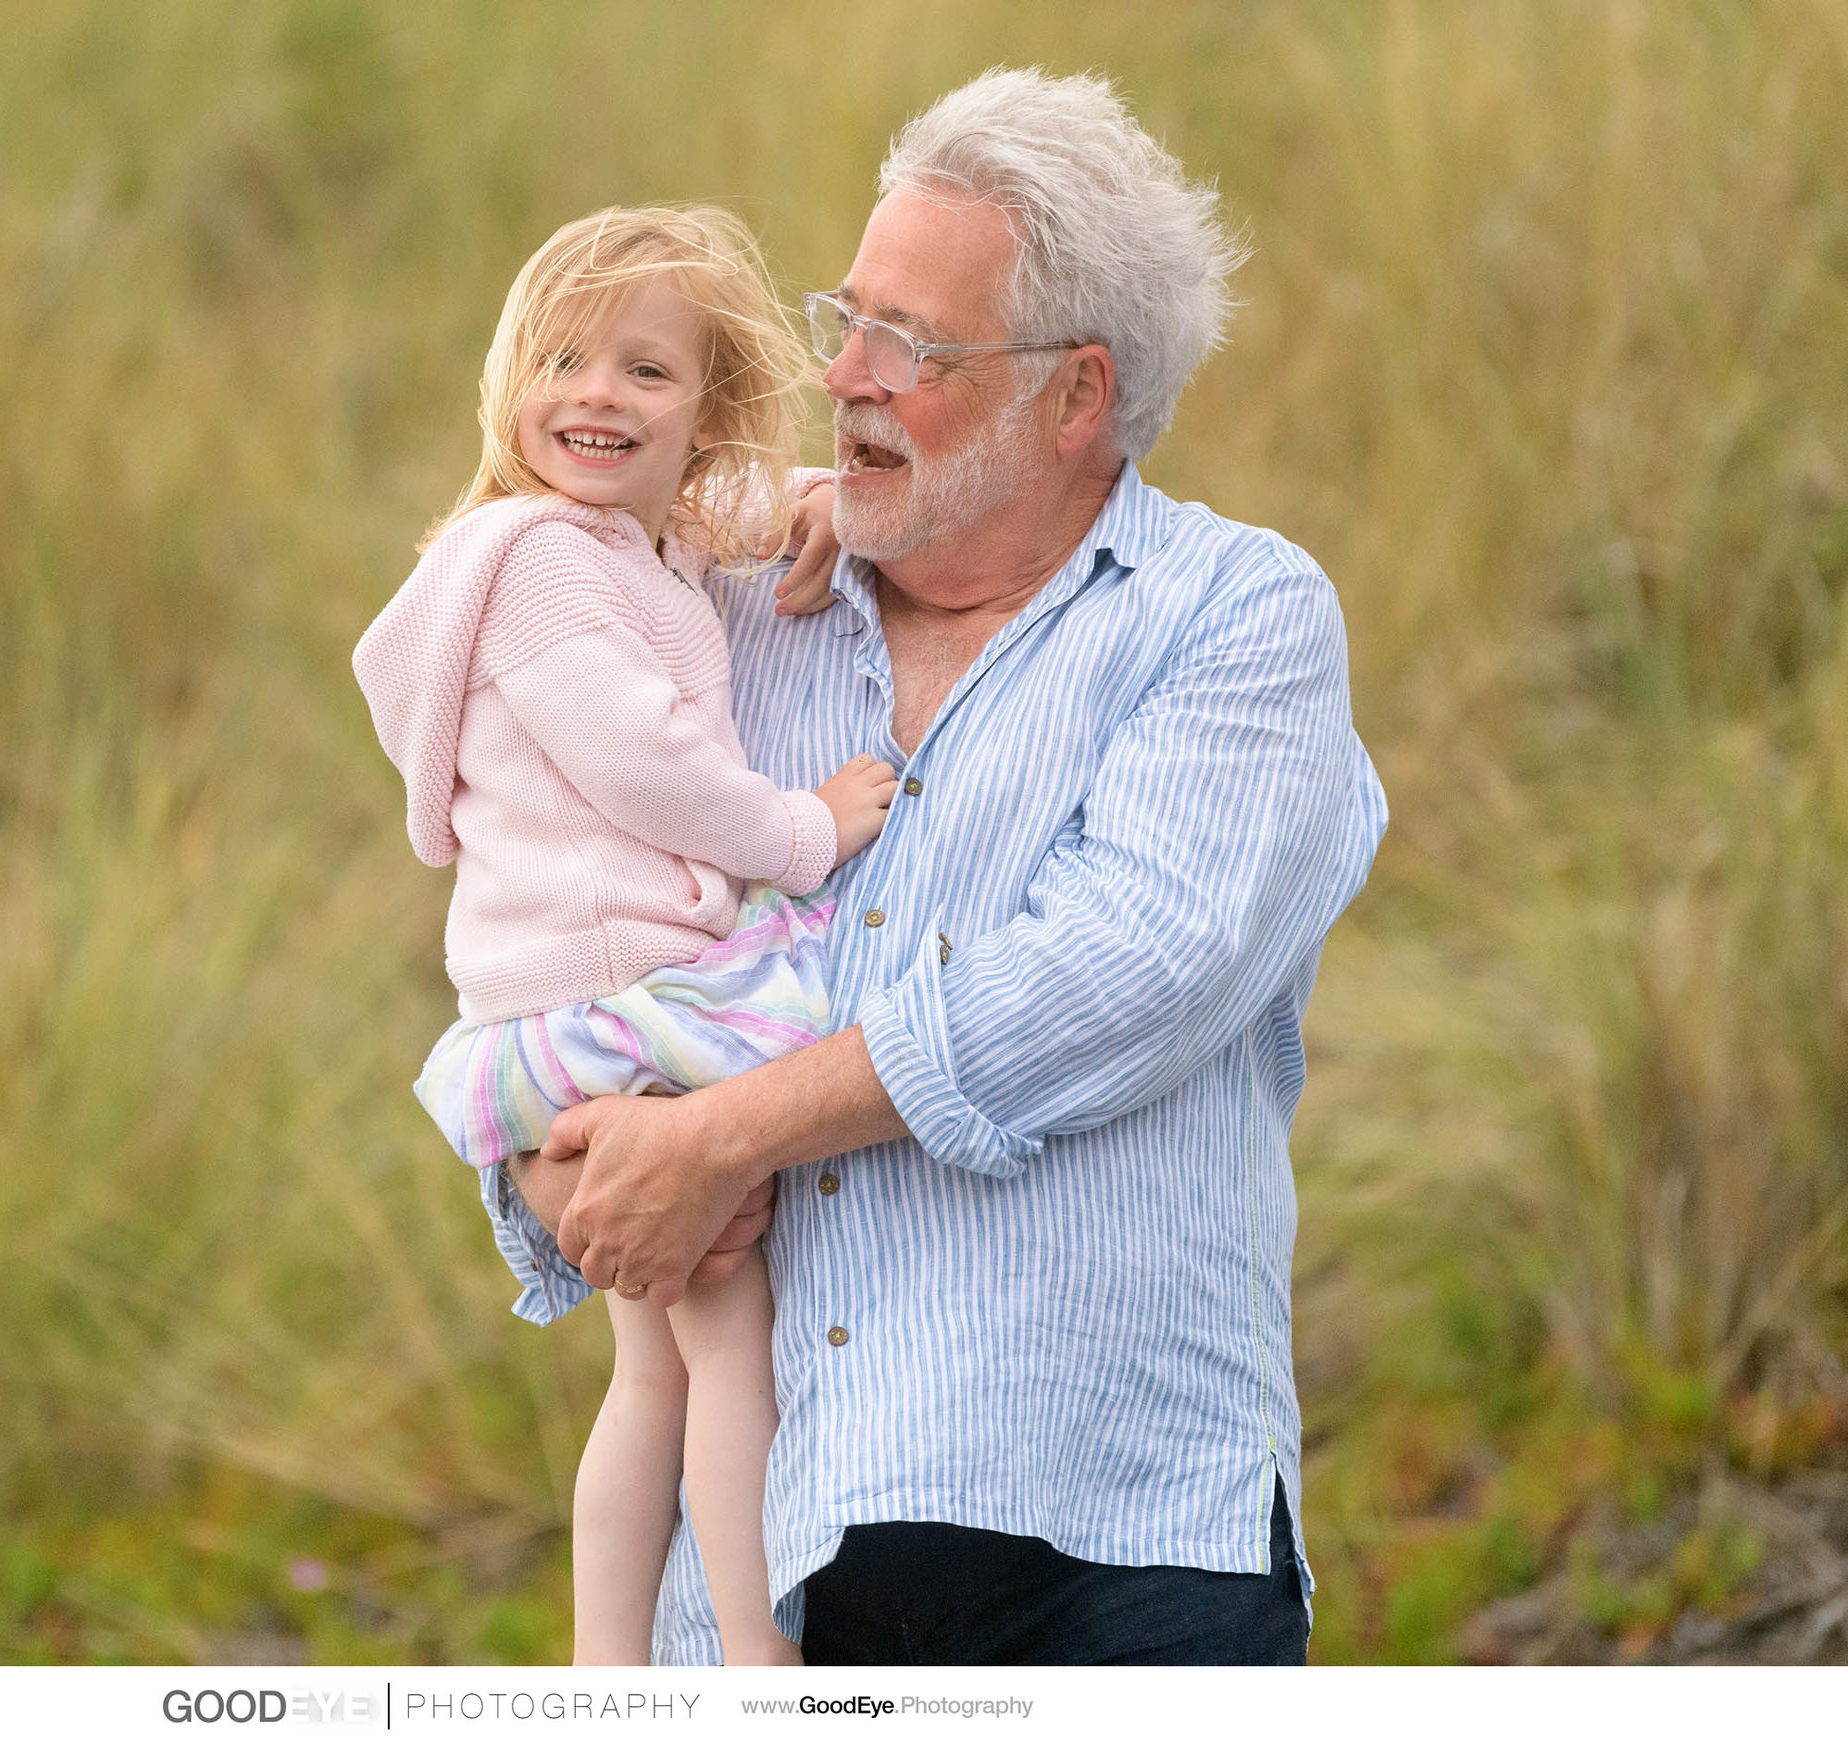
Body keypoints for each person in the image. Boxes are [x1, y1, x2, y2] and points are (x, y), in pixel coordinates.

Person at [496, 68, 1391, 1664]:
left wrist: (725, 1132)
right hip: (766, 1577)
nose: (840, 374)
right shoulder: (721, 619)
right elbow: (558, 904)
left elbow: (1122, 973)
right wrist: (557, 1163)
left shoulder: (1236, 620)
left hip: (1117, 1553)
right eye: (847, 316)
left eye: (908, 344)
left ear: (1073, 396)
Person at [351, 205, 896, 1664]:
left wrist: (825, 497)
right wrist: (806, 829)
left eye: (647, 373)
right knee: (730, 1336)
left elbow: (734, 517)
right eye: (564, 359)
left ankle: (609, 1673)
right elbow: (643, 760)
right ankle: (752, 1655)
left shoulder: (623, 540)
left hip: (565, 1008)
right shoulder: (543, 565)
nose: (598, 393)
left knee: (648, 1367)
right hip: (623, 1000)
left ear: (703, 416)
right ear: (509, 383)